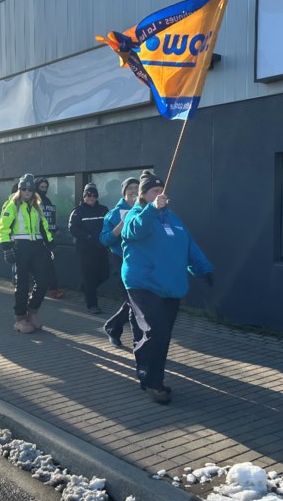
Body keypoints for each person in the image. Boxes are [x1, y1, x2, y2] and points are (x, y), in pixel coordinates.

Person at [122, 170, 213, 404]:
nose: (160, 194)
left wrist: (203, 269)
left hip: (171, 286)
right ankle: (153, 382)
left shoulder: (173, 219)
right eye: (154, 190)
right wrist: (151, 209)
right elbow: (134, 230)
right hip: (144, 284)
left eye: (162, 190)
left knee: (160, 336)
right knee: (156, 332)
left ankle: (150, 372)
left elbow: (189, 247)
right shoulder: (136, 214)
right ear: (143, 195)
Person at [0, 173, 54, 333]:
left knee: (43, 281)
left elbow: (43, 225)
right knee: (22, 285)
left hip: (36, 246)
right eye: (24, 188)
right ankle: (20, 318)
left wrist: (49, 242)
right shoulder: (12, 204)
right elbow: (3, 226)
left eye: (30, 188)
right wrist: (7, 248)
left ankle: (32, 311)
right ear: (20, 189)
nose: (27, 191)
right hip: (20, 247)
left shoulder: (38, 204)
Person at [99, 176, 141, 348]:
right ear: (124, 192)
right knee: (134, 301)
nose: (133, 192)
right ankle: (139, 340)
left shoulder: (144, 211)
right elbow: (104, 240)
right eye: (130, 188)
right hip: (121, 260)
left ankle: (113, 327)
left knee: (136, 301)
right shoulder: (114, 214)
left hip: (141, 261)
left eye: (137, 188)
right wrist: (119, 228)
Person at [68, 182, 110, 314]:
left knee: (105, 273)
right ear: (84, 196)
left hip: (101, 248)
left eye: (94, 195)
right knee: (90, 277)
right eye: (88, 194)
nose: (91, 197)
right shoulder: (77, 211)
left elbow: (109, 225)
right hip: (85, 250)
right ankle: (92, 304)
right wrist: (87, 238)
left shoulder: (104, 209)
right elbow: (73, 228)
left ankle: (86, 287)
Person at [36, 177, 65, 299]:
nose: (44, 190)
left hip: (45, 239)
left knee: (48, 264)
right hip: (32, 239)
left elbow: (48, 219)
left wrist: (54, 229)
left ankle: (53, 289)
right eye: (41, 187)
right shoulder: (32, 200)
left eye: (45, 187)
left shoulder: (47, 200)